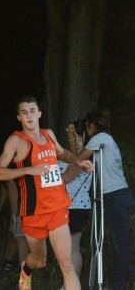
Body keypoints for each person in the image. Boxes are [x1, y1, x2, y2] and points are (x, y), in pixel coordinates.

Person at [0, 96, 94, 290]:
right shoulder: (16, 140)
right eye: (24, 112)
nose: (29, 115)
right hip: (33, 211)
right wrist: (29, 170)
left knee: (66, 264)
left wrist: (78, 161)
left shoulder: (48, 134)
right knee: (40, 261)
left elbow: (62, 153)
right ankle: (26, 270)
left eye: (32, 111)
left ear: (39, 113)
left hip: (57, 206)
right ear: (19, 117)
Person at [78, 107, 133, 290]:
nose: (86, 130)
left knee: (120, 245)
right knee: (121, 243)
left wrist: (75, 140)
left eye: (87, 126)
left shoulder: (99, 139)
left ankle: (118, 286)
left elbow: (78, 159)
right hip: (120, 194)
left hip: (114, 195)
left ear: (92, 125)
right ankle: (121, 283)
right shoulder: (108, 139)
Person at [57, 120, 92, 290]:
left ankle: (70, 285)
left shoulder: (84, 156)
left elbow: (66, 177)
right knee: (66, 249)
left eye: (76, 134)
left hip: (77, 206)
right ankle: (69, 283)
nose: (73, 138)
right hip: (63, 206)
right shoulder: (71, 156)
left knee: (72, 247)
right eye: (70, 134)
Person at [0, 180, 30, 281]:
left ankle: (24, 279)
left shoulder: (11, 166)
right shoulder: (5, 169)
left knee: (20, 237)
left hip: (28, 204)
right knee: (16, 236)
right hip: (20, 205)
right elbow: (6, 186)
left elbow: (12, 188)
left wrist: (14, 216)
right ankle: (7, 269)